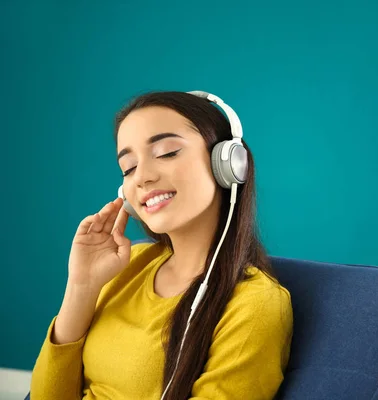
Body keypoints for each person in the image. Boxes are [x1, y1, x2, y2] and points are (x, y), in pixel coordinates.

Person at [29, 90, 294, 400]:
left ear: (228, 163)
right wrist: (81, 286)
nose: (141, 178)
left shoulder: (255, 304)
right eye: (128, 168)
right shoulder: (129, 263)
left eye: (167, 152)